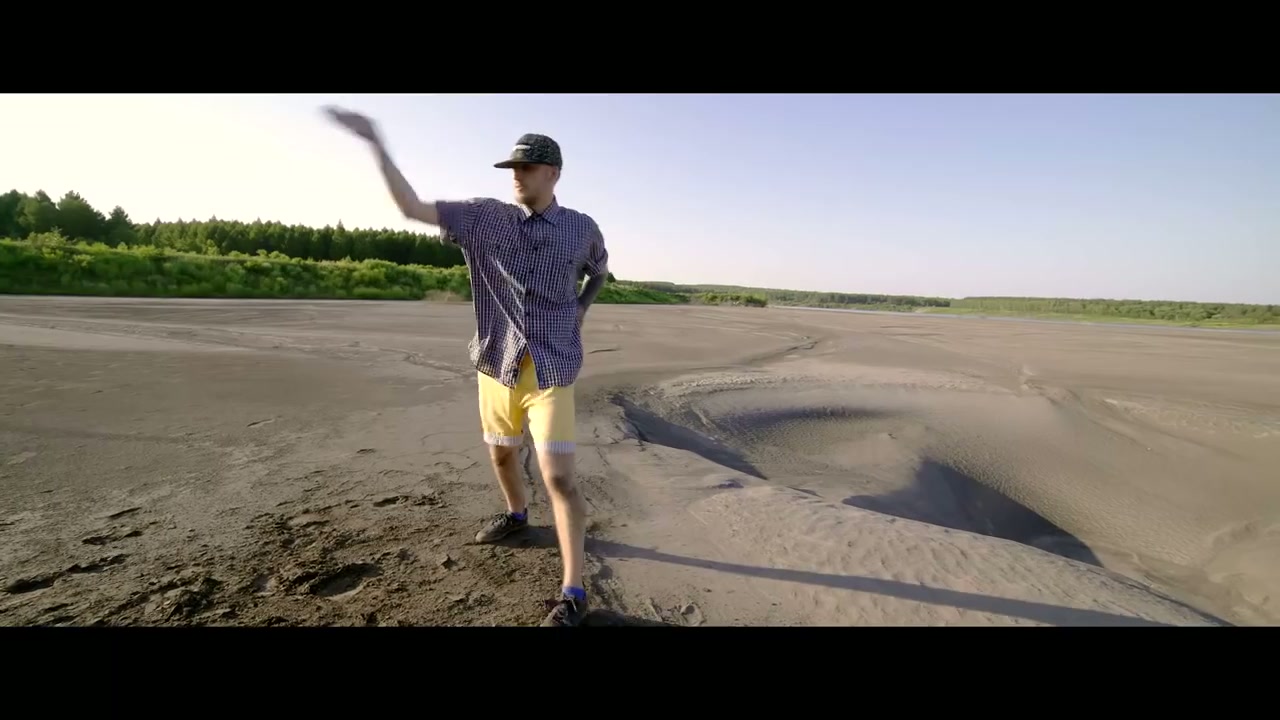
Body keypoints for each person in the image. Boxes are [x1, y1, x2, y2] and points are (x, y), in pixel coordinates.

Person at [323, 106, 609, 627]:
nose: (516, 175)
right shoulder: (483, 217)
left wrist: (581, 310)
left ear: (553, 173)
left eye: (527, 167)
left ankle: (573, 592)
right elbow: (411, 207)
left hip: (552, 367)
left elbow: (600, 271)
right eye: (512, 168)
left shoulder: (581, 228)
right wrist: (376, 142)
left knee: (559, 478)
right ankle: (516, 514)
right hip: (497, 363)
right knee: (502, 456)